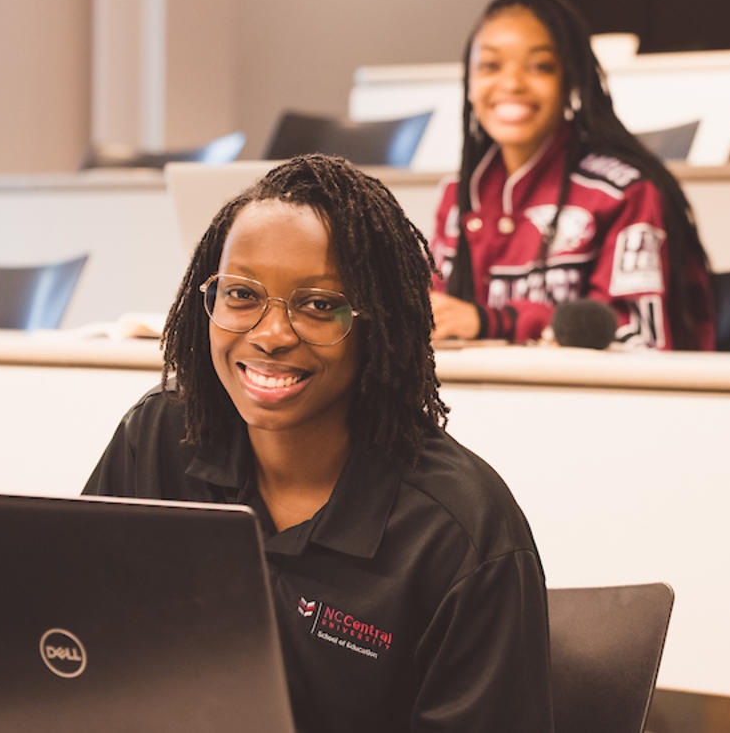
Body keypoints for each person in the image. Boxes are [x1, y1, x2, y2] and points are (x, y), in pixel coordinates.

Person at [83, 154, 553, 733]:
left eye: (318, 305)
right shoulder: (158, 439)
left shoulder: (460, 533)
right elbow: (67, 658)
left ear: (375, 322)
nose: (271, 335)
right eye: (241, 295)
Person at [429, 0, 715, 350]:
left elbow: (637, 338)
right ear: (469, 82)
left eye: (540, 67)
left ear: (571, 82)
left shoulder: (624, 191)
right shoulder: (456, 195)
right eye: (490, 66)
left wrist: (494, 322)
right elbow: (435, 317)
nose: (512, 83)